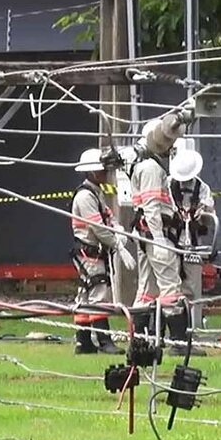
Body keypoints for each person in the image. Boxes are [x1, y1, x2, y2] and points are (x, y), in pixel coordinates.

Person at [128, 117, 193, 355]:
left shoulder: (143, 167)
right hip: (156, 235)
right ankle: (178, 342)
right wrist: (158, 239)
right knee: (171, 287)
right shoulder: (152, 169)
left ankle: (141, 343)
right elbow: (152, 207)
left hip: (147, 235)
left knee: (147, 290)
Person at [69, 148, 136, 355]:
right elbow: (98, 228)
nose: (107, 174)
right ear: (92, 172)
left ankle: (84, 342)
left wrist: (119, 230)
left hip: (93, 253)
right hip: (90, 253)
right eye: (103, 170)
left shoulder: (95, 193)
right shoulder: (85, 197)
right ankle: (104, 341)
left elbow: (108, 218)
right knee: (97, 293)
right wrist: (118, 245)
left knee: (85, 296)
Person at [166, 146, 218, 338]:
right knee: (171, 288)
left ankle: (193, 329)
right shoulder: (167, 185)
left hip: (193, 244)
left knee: (194, 288)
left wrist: (201, 212)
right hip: (170, 243)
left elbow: (210, 212)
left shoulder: (202, 188)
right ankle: (173, 330)